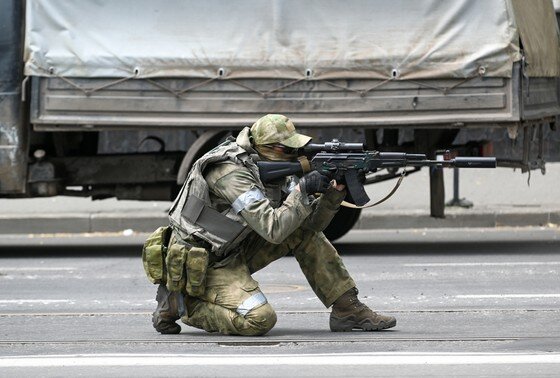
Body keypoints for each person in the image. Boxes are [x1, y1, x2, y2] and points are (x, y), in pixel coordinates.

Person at [149, 114, 396, 335]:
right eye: (290, 150)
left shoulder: (272, 167)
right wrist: (302, 189)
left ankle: (347, 309)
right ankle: (180, 305)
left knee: (303, 233)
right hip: (204, 263)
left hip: (235, 249)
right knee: (259, 319)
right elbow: (273, 229)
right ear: (275, 149)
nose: (297, 157)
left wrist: (334, 193)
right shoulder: (230, 172)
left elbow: (310, 227)